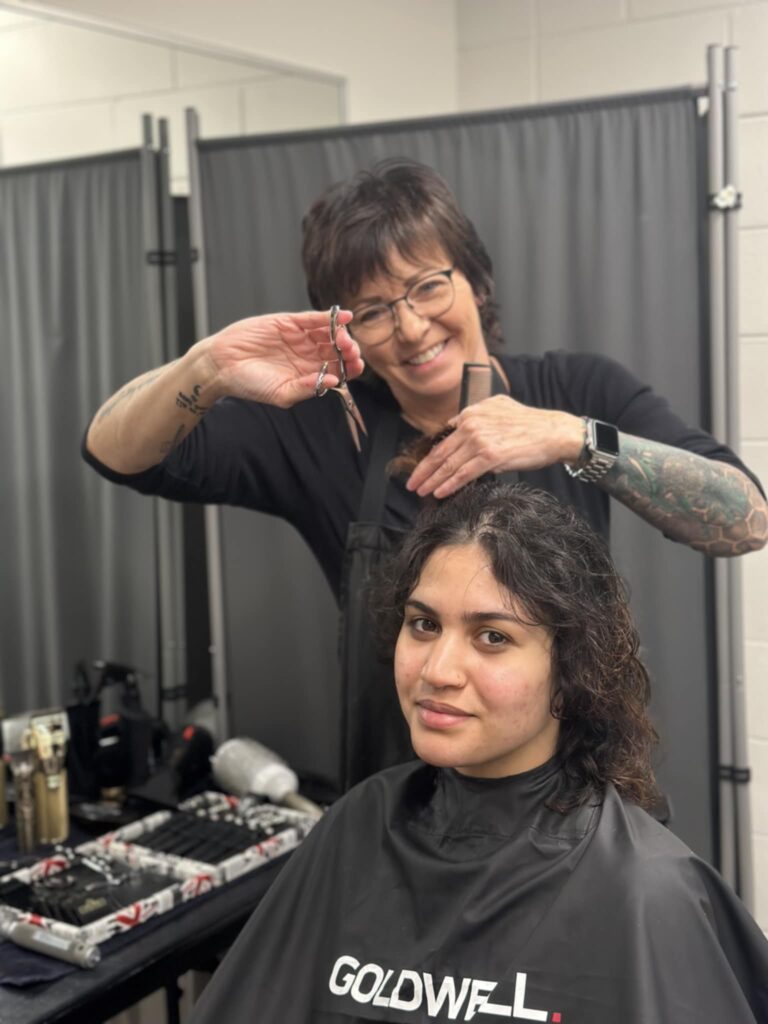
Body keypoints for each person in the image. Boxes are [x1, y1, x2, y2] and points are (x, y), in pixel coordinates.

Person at [82, 158, 767, 783]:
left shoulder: (579, 389)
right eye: (373, 312)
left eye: (427, 287)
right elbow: (113, 451)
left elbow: (745, 518)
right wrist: (206, 368)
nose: (410, 328)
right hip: (403, 805)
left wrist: (571, 437)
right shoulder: (321, 429)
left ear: (474, 280)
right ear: (344, 330)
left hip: (575, 802)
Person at [188, 482, 768, 1024]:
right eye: (423, 625)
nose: (437, 671)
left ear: (571, 671)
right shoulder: (357, 825)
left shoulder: (645, 891)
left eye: (493, 637)